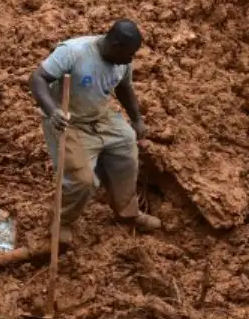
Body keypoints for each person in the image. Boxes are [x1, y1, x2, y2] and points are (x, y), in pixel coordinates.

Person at [29, 20, 160, 234]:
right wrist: (53, 111)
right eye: (129, 53)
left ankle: (127, 213)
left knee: (126, 148)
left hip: (100, 115)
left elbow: (125, 87)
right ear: (115, 44)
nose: (131, 58)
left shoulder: (122, 61)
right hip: (67, 120)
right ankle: (61, 223)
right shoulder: (74, 52)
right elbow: (37, 78)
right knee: (82, 181)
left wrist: (136, 119)